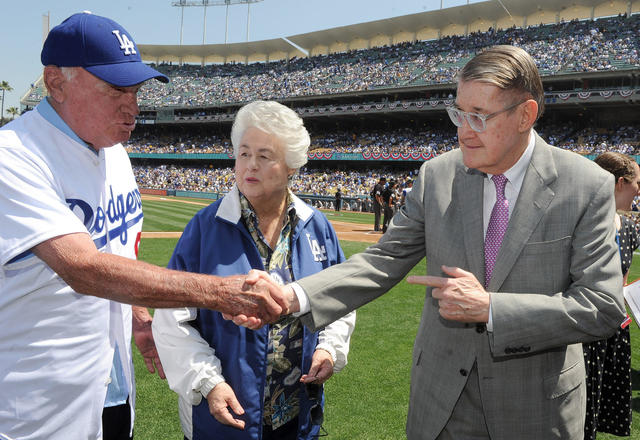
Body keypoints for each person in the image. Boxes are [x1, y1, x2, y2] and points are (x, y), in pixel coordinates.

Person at [245, 45, 626, 439]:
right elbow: (383, 260)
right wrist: (292, 297)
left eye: (479, 116)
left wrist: (491, 309)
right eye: (459, 113)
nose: (462, 130)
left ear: (525, 115)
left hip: (535, 408)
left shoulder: (585, 185)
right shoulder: (436, 176)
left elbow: (602, 307)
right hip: (442, 403)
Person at [0, 12, 282, 440]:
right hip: (36, 408)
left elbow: (115, 246)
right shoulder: (14, 156)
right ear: (56, 82)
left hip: (112, 392)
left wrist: (136, 315)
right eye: (115, 89)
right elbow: (84, 267)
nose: (132, 107)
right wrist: (222, 293)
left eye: (135, 91)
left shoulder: (116, 154)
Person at [152, 101, 355, 440]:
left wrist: (328, 349)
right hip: (224, 417)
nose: (250, 165)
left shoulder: (316, 226)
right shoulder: (204, 229)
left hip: (297, 417)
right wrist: (208, 382)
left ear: (291, 166)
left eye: (264, 156)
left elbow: (339, 300)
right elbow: (171, 319)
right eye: (244, 154)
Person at [582, 151, 640, 439]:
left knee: (600, 413)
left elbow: (623, 283)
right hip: (582, 335)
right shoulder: (581, 223)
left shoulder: (629, 229)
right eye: (637, 183)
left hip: (615, 332)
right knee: (578, 413)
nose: (639, 190)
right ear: (620, 183)